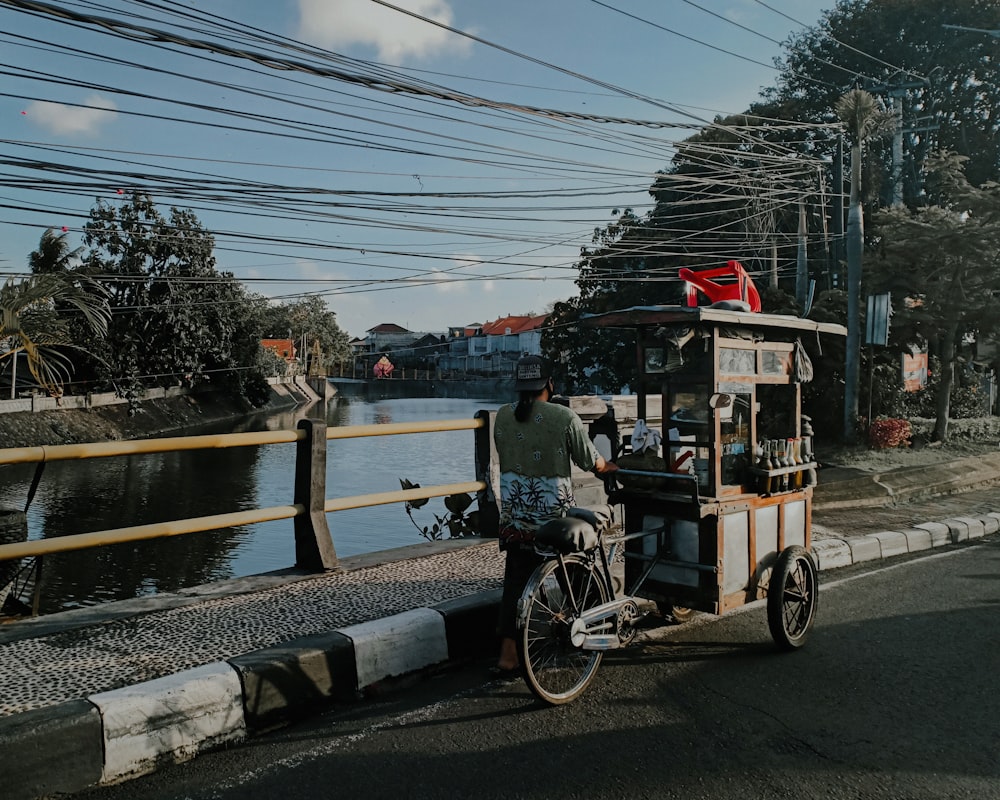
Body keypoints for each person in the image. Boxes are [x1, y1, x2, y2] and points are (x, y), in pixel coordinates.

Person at [491, 354, 617, 675]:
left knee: (515, 583)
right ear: (550, 384)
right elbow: (593, 463)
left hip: (515, 522)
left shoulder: (504, 417)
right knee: (577, 569)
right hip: (552, 522)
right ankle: (595, 630)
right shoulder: (564, 417)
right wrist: (612, 467)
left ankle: (507, 656)